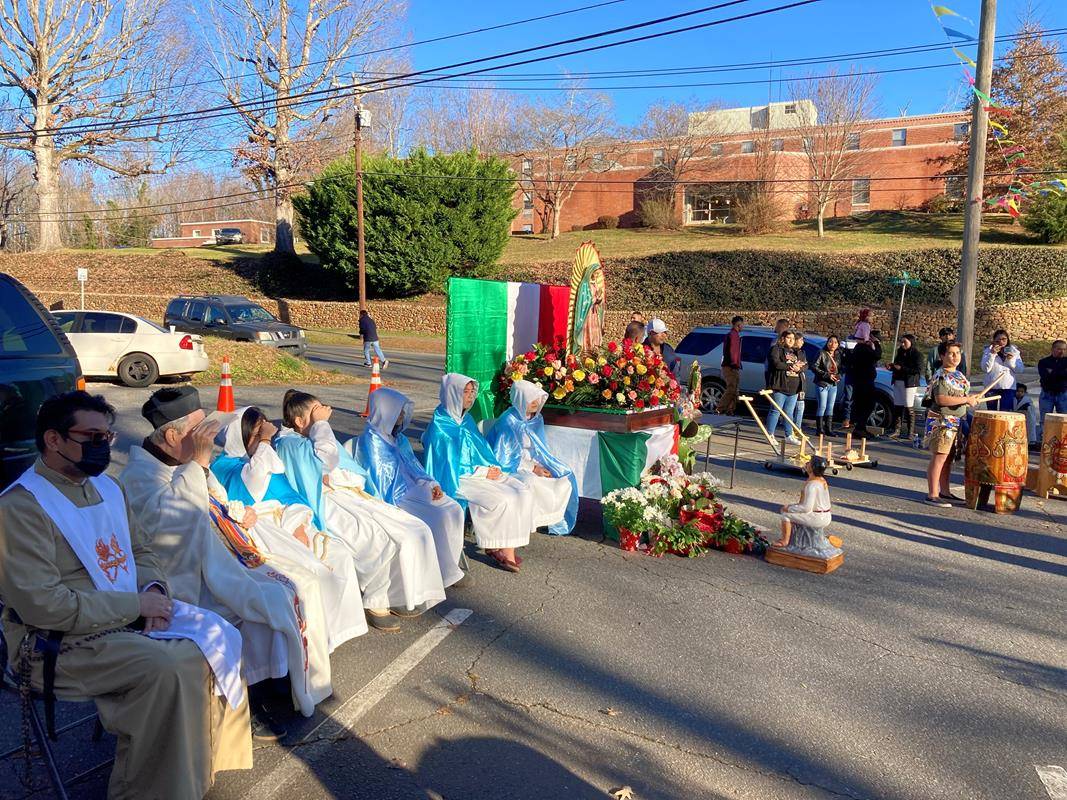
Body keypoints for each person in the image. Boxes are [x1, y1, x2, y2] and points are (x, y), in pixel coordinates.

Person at [0, 391, 251, 799]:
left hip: (124, 614)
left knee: (214, 639)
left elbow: (141, 551)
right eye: (92, 436)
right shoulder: (20, 508)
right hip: (54, 642)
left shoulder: (108, 489)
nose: (103, 445)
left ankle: (192, 774)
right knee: (166, 667)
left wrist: (152, 589)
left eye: (108, 437)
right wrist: (137, 605)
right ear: (53, 439)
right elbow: (43, 605)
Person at [120, 389, 331, 731]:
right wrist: (199, 465)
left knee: (301, 579)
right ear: (173, 435)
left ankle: (285, 680)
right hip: (186, 579)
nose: (209, 439)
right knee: (273, 596)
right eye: (200, 430)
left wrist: (238, 511)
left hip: (223, 556)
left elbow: (214, 499)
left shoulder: (178, 461)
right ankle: (257, 692)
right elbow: (169, 529)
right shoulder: (139, 475)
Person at [275, 391, 446, 632]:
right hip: (326, 504)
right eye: (315, 414)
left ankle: (398, 593)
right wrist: (322, 426)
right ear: (300, 421)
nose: (322, 416)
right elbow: (325, 460)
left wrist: (339, 477)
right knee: (376, 538)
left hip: (350, 494)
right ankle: (376, 601)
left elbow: (348, 469)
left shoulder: (317, 435)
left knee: (411, 529)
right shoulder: (290, 443)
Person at [209, 405, 369, 651]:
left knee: (340, 556)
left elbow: (291, 497)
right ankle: (311, 641)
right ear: (239, 438)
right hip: (261, 532)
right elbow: (252, 485)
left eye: (265, 431)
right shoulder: (226, 465)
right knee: (314, 571)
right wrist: (264, 440)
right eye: (257, 433)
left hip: (290, 522)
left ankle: (332, 633)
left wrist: (299, 523)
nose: (266, 437)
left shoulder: (263, 458)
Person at [352, 387, 467, 588]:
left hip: (417, 489)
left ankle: (448, 566)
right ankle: (440, 570)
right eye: (399, 410)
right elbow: (381, 481)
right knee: (440, 516)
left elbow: (415, 466)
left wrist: (431, 484)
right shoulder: (372, 440)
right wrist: (421, 491)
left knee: (454, 509)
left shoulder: (399, 438)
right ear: (385, 411)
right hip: (398, 497)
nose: (403, 415)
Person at [422, 374, 535, 573]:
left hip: (479, 474)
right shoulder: (440, 427)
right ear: (452, 394)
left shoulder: (466, 421)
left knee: (521, 491)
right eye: (465, 392)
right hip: (459, 479)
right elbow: (447, 467)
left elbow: (481, 449)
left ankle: (505, 545)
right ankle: (496, 545)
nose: (470, 397)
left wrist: (492, 467)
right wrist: (482, 472)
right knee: (503, 498)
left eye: (472, 392)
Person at [487, 380, 578, 535]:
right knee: (532, 481)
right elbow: (504, 458)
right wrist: (533, 468)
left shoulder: (536, 419)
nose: (536, 402)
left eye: (537, 398)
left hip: (535, 463)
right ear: (521, 399)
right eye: (531, 398)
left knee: (565, 475)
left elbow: (540, 448)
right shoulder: (509, 421)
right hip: (513, 467)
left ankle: (551, 521)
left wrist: (545, 466)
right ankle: (530, 521)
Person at [922, 342, 983, 507]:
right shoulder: (941, 375)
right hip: (942, 421)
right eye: (950, 353)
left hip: (956, 421)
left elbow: (960, 396)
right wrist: (966, 400)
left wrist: (971, 398)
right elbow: (941, 399)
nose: (955, 356)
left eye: (957, 353)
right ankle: (932, 494)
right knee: (940, 456)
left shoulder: (959, 375)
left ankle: (945, 491)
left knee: (948, 458)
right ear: (942, 356)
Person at [773, 456, 838, 559]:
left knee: (786, 516)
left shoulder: (812, 485)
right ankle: (807, 539)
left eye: (809, 463)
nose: (806, 464)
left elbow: (806, 508)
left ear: (812, 468)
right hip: (825, 515)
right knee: (793, 513)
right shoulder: (822, 480)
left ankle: (785, 541)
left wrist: (789, 508)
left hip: (818, 517)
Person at [765, 330, 803, 448]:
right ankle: (770, 434)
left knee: (789, 413)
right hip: (780, 385)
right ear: (783, 338)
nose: (791, 340)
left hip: (794, 386)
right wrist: (791, 366)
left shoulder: (796, 351)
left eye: (793, 338)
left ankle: (789, 435)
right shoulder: (776, 349)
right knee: (775, 411)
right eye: (788, 338)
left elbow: (804, 364)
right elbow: (776, 364)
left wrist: (799, 368)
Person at [849, 330, 883, 439]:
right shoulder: (863, 348)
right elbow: (877, 355)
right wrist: (876, 344)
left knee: (863, 405)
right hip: (864, 381)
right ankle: (859, 428)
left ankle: (861, 428)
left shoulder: (861, 347)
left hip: (862, 380)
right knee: (868, 404)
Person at [888, 334, 923, 439]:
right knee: (898, 406)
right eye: (901, 342)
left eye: (905, 342)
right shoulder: (900, 352)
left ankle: (910, 432)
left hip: (909, 383)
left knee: (908, 406)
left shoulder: (917, 354)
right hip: (898, 381)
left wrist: (901, 368)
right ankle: (897, 430)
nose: (902, 344)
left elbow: (917, 370)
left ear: (911, 342)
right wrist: (892, 367)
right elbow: (897, 365)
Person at [980, 329, 1023, 411]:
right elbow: (985, 368)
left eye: (1004, 339)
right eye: (998, 340)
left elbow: (1020, 370)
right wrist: (992, 354)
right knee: (991, 413)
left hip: (1008, 387)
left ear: (1008, 340)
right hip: (991, 386)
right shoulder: (988, 351)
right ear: (994, 341)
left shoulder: (1014, 351)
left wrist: (1011, 360)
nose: (1001, 342)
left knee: (1005, 413)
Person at [812, 335, 843, 436]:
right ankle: (819, 429)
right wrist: (827, 375)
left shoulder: (838, 354)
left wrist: (838, 376)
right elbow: (814, 367)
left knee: (830, 406)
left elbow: (842, 368)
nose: (832, 344)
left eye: (835, 342)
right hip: (822, 383)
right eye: (830, 342)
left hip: (833, 384)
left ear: (838, 344)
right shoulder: (821, 353)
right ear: (827, 342)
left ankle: (829, 429)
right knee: (822, 406)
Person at [1037, 339, 1067, 439]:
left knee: (1064, 419)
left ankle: (1063, 441)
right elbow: (1045, 377)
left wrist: (1053, 372)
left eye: (1064, 349)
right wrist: (1061, 373)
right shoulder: (1043, 362)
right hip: (1047, 394)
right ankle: (1043, 441)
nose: (1061, 351)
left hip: (1063, 394)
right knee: (1044, 419)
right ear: (1053, 349)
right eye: (1059, 349)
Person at [716, 315, 743, 415]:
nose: (743, 327)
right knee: (731, 388)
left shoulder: (733, 335)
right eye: (742, 324)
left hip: (731, 365)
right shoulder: (733, 335)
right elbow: (733, 351)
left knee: (734, 388)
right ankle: (721, 407)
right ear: (738, 324)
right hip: (731, 366)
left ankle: (730, 409)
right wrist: (734, 364)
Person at [791, 332, 809, 433]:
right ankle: (790, 429)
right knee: (791, 407)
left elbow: (805, 365)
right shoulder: (790, 352)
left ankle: (797, 428)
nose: (802, 342)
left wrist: (800, 368)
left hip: (801, 382)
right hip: (791, 381)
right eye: (801, 340)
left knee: (800, 406)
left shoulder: (802, 352)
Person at [764, 318, 791, 387]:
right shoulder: (775, 339)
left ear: (783, 327)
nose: (775, 328)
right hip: (770, 370)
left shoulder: (789, 341)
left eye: (778, 326)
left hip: (780, 372)